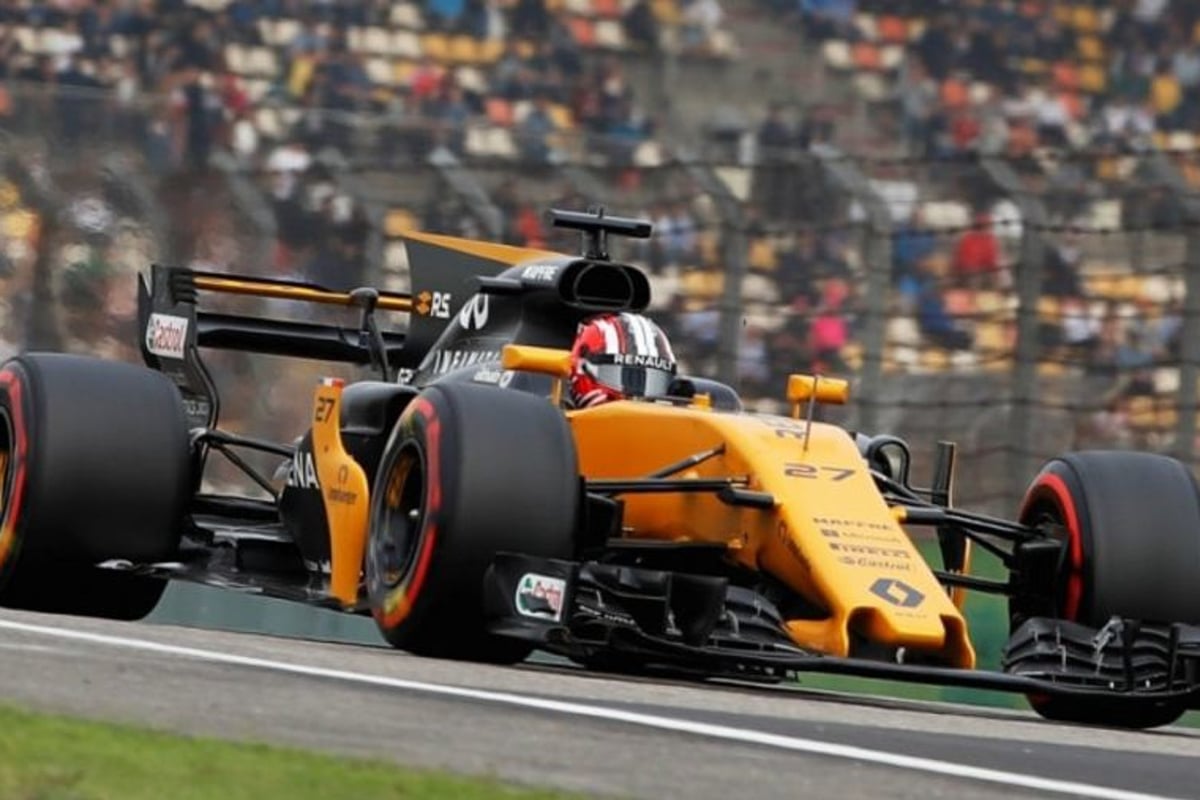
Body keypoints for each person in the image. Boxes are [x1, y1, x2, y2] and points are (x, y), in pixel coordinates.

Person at [569, 312, 677, 407]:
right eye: (618, 376)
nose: (636, 397)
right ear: (581, 368)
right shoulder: (559, 420)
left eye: (654, 382)